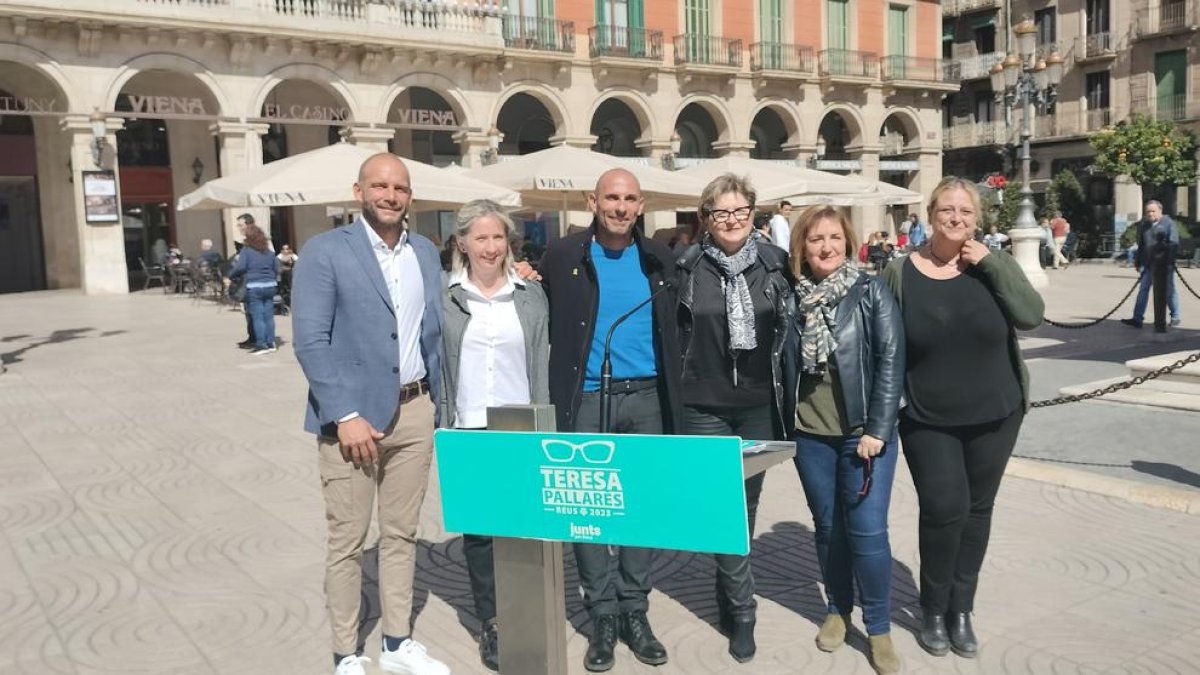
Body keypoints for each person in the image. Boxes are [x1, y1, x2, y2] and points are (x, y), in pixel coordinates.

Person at [291, 153, 450, 675]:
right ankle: (345, 652)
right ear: (358, 190)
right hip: (353, 422)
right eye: (379, 186)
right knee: (348, 540)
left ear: (410, 196)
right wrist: (344, 413)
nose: (390, 195)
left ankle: (397, 642)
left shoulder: (425, 251)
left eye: (399, 187)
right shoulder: (325, 251)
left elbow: (435, 331)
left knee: (401, 534)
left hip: (414, 410)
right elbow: (311, 341)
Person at [880, 177, 1043, 660]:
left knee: (977, 510)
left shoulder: (993, 266)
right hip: (927, 417)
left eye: (966, 212)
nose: (957, 218)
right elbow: (881, 344)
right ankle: (933, 608)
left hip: (998, 412)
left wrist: (991, 262)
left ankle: (961, 608)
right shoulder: (898, 272)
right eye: (948, 210)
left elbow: (1031, 314)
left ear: (978, 219)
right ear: (930, 214)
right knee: (942, 509)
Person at [538, 168, 682, 673]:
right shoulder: (561, 255)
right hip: (589, 399)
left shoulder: (659, 258)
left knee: (640, 509)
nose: (620, 207)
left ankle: (634, 611)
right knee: (589, 508)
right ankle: (601, 614)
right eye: (611, 198)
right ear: (592, 201)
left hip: (647, 399)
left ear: (641, 205)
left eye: (629, 199)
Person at [675, 174, 794, 663]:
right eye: (721, 213)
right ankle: (743, 612)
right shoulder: (684, 266)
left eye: (739, 212)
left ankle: (729, 587)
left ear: (753, 214)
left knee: (745, 506)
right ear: (706, 217)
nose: (731, 221)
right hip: (704, 404)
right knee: (723, 506)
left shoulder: (777, 263)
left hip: (758, 405)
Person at [784, 205, 904, 674]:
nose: (826, 247)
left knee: (868, 532)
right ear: (802, 248)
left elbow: (891, 360)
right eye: (816, 239)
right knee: (829, 528)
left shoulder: (870, 291)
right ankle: (837, 609)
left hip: (864, 436)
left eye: (834, 237)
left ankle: (879, 627)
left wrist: (878, 428)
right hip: (811, 434)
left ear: (848, 241)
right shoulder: (794, 299)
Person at [438, 199, 549, 673]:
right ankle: (493, 620)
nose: (489, 247)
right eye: (479, 238)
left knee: (524, 529)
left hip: (520, 426)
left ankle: (529, 613)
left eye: (497, 237)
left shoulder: (530, 294)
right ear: (461, 242)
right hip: (466, 426)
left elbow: (542, 357)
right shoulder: (444, 295)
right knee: (480, 536)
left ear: (509, 242)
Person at [1122, 199, 1182, 328]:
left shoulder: (1169, 224)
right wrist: (1138, 261)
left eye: (1153, 211)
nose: (1150, 214)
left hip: (1163, 265)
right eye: (1148, 211)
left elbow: (1173, 244)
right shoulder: (1145, 225)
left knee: (1169, 291)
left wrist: (1169, 262)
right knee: (1143, 290)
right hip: (1148, 264)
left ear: (1160, 211)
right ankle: (1137, 318)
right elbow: (1142, 245)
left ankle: (1175, 316)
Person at [226, 223, 279, 355]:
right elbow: (277, 268)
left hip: (255, 286)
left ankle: (261, 345)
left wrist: (231, 276)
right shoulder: (270, 253)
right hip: (271, 285)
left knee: (257, 317)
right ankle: (271, 342)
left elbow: (240, 267)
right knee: (268, 316)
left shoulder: (247, 251)